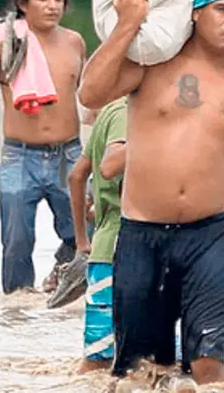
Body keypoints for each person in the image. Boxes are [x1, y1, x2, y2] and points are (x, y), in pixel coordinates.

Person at [78, 0, 224, 385]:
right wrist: (126, 26)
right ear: (196, 11)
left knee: (209, 363)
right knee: (142, 369)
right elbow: (90, 93)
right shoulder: (153, 61)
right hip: (141, 235)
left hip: (210, 237)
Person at [0, 0, 86, 295]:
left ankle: (62, 276)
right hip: (20, 155)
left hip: (68, 153)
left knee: (83, 231)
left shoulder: (74, 42)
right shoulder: (6, 41)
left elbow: (89, 94)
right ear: (23, 4)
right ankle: (17, 310)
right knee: (16, 240)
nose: (52, 5)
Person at [67, 97, 128, 372]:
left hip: (102, 249)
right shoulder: (129, 114)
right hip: (131, 246)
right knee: (160, 362)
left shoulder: (109, 112)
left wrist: (82, 240)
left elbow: (76, 176)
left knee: (97, 357)